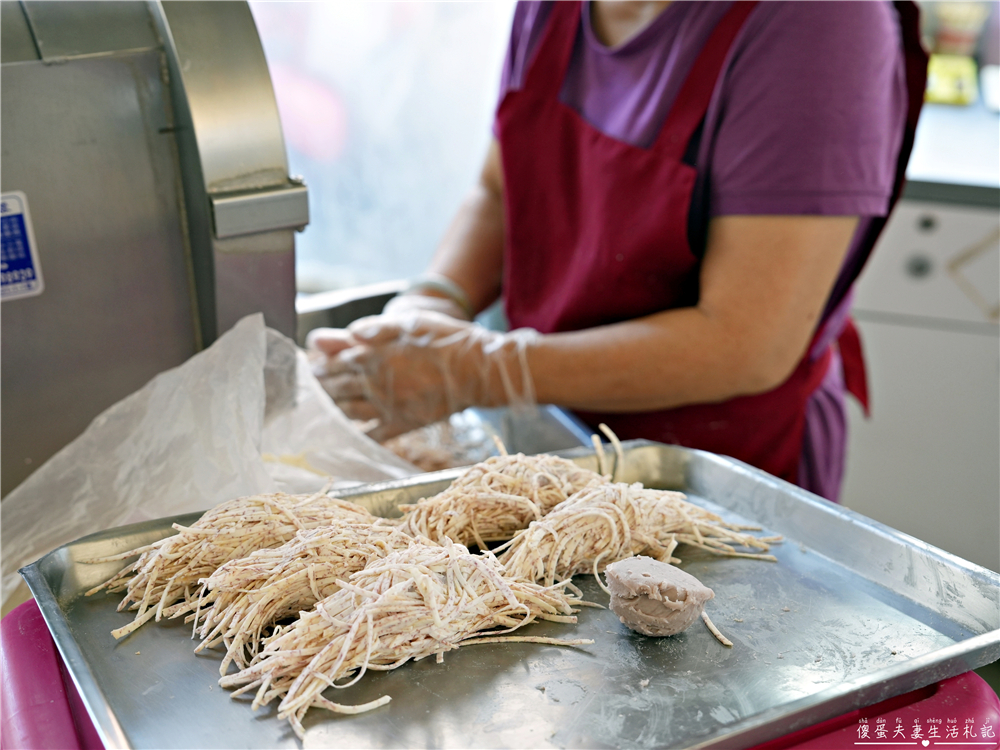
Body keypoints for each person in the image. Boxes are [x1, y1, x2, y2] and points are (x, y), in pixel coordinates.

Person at [308, 1, 927, 503]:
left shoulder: (819, 25)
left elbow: (748, 341)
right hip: (556, 441)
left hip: (713, 474)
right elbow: (499, 190)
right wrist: (434, 303)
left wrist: (481, 370)